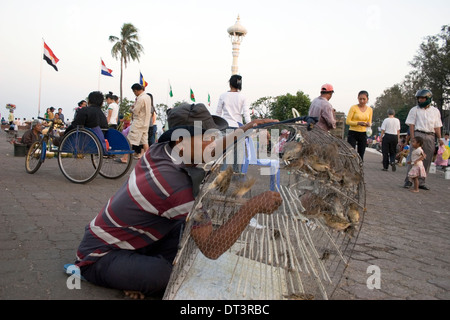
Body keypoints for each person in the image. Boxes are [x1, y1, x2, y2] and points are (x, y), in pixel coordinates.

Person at [72, 102, 281, 299]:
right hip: (99, 256)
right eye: (207, 138)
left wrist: (246, 128)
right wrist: (251, 207)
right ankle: (130, 276)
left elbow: (209, 149)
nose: (213, 144)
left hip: (129, 239)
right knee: (168, 275)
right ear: (181, 140)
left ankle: (136, 270)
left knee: (184, 227)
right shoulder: (174, 185)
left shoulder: (160, 150)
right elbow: (212, 248)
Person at [403, 89, 442, 190]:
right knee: (413, 157)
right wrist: (412, 138)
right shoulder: (414, 110)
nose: (420, 100)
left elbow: (437, 126)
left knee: (426, 158)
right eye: (419, 98)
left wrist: (440, 138)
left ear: (428, 98)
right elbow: (411, 124)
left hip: (430, 135)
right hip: (418, 134)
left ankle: (421, 181)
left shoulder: (435, 111)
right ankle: (408, 180)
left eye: (422, 98)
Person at [216, 74, 251, 172]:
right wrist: (250, 125)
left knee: (225, 152)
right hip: (238, 127)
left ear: (230, 84)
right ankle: (236, 173)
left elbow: (218, 113)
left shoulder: (223, 96)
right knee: (237, 153)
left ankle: (222, 174)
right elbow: (246, 115)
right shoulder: (243, 97)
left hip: (224, 126)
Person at [119, 84, 153, 163]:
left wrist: (131, 109)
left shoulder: (141, 98)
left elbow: (136, 111)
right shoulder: (148, 97)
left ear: (136, 90)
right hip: (145, 123)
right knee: (145, 141)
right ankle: (149, 158)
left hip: (138, 122)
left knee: (130, 139)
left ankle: (125, 158)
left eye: (134, 91)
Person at [346, 91, 373, 161]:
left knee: (361, 153)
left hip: (363, 133)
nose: (362, 101)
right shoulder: (353, 108)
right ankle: (350, 166)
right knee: (351, 151)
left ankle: (360, 166)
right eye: (360, 99)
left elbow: (370, 121)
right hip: (353, 132)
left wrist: (368, 124)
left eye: (364, 99)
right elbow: (348, 121)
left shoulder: (370, 110)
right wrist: (357, 123)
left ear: (367, 99)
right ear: (357, 98)